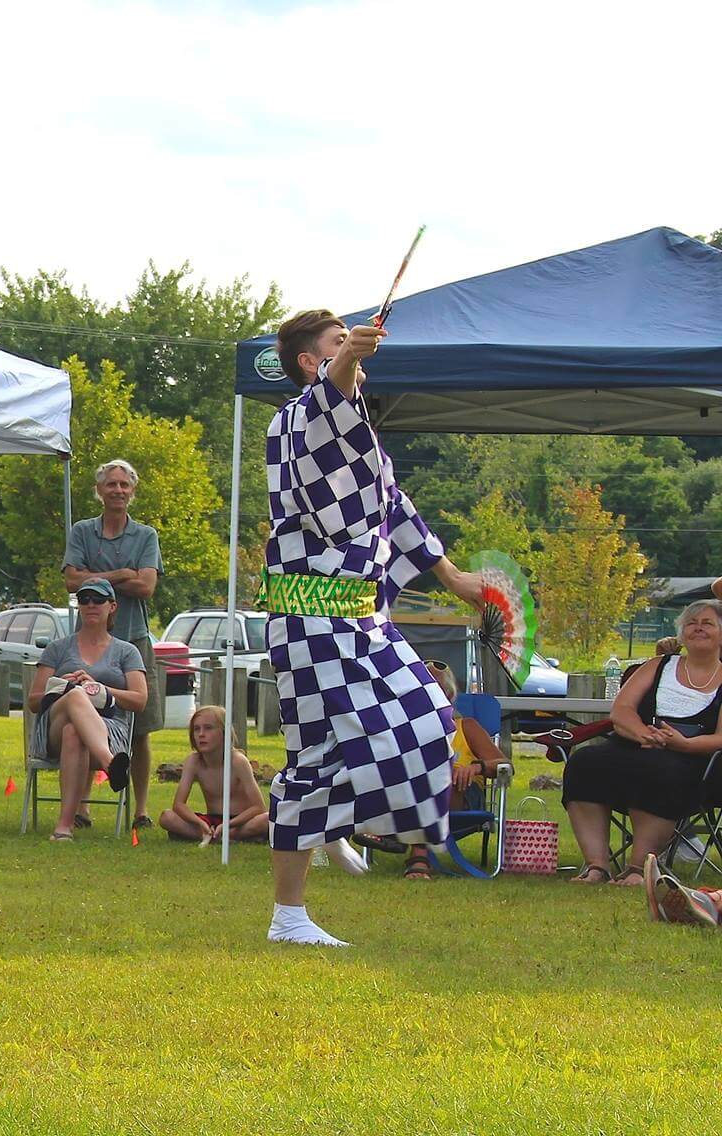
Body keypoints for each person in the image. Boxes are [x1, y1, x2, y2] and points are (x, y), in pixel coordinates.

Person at [260, 310, 486, 947]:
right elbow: (331, 392)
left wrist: (455, 577)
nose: (346, 351)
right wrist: (347, 359)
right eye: (334, 344)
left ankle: (330, 824)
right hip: (310, 616)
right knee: (314, 761)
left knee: (431, 722)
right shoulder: (300, 417)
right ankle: (290, 916)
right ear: (311, 361)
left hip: (363, 616)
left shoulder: (358, 434)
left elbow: (396, 508)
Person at [562, 600, 722, 885]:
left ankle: (638, 868)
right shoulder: (657, 666)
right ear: (682, 633)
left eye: (707, 623)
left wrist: (682, 744)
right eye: (691, 623)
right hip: (637, 743)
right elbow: (621, 711)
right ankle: (596, 866)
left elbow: (720, 738)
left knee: (660, 770)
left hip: (694, 760)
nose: (698, 628)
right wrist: (643, 734)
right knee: (584, 762)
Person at [63, 458, 162, 827]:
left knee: (142, 728)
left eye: (124, 485)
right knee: (88, 717)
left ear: (133, 491)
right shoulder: (82, 532)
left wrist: (95, 580)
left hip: (134, 639)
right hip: (88, 643)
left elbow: (147, 587)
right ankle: (82, 807)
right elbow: (72, 583)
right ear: (99, 490)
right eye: (111, 484)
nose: (118, 490)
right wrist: (122, 574)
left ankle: (140, 811)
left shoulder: (146, 536)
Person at [27, 578, 148, 840]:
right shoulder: (58, 649)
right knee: (75, 698)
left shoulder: (126, 651)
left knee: (75, 732)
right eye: (84, 599)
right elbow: (34, 701)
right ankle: (110, 764)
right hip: (54, 727)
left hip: (108, 728)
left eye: (98, 599)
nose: (91, 605)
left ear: (112, 606)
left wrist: (101, 689)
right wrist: (63, 687)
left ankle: (64, 827)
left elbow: (140, 700)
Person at [398, 662, 504, 879]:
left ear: (448, 695)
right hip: (413, 793)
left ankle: (417, 855)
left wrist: (476, 767)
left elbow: (505, 765)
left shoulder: (466, 727)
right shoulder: (406, 729)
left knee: (436, 774)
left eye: (433, 689)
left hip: (461, 793)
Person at [158, 705, 268, 845]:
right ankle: (218, 835)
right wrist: (199, 823)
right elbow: (179, 805)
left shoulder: (238, 761)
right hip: (210, 820)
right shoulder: (194, 761)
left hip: (240, 821)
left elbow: (259, 807)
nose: (201, 734)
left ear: (224, 732)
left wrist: (229, 824)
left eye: (208, 728)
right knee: (166, 817)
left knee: (267, 819)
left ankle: (224, 835)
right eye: (196, 729)